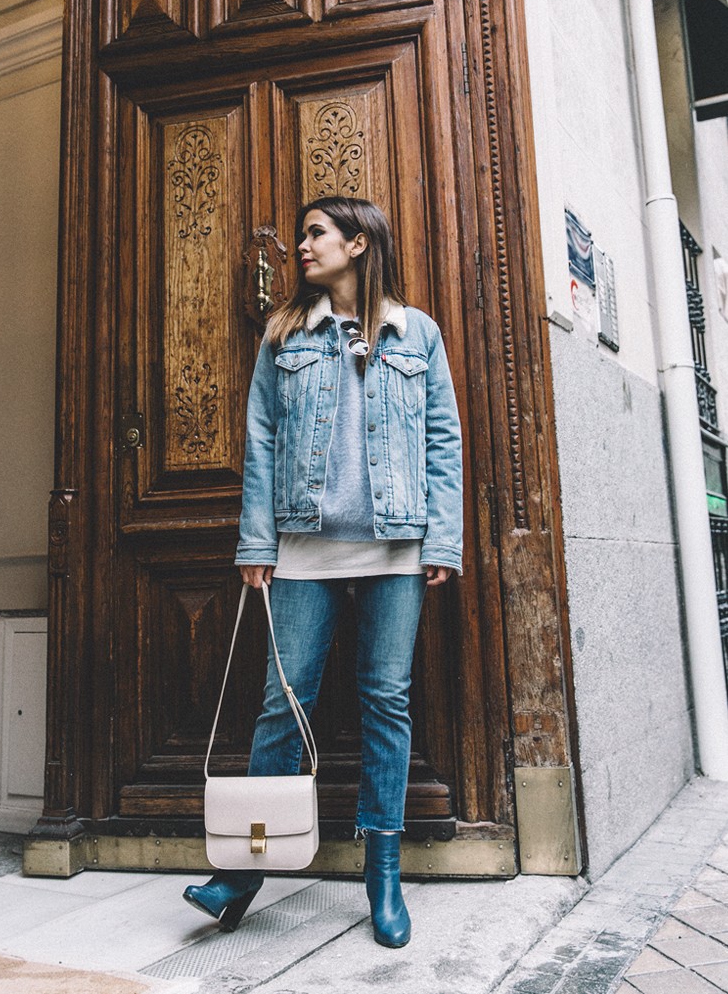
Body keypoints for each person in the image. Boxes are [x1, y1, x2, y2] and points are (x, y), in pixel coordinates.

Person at [183, 197, 463, 948]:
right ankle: (241, 873)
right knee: (283, 704)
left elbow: (443, 438)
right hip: (302, 550)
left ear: (359, 242)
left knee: (385, 703)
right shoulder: (285, 333)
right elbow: (262, 440)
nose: (300, 246)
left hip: (394, 549)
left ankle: (384, 874)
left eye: (315, 233)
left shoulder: (416, 332)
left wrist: (442, 541)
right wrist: (255, 541)